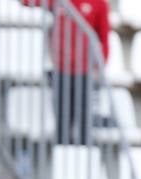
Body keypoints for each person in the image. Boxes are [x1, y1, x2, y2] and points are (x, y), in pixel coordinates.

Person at [21, 0, 109, 144]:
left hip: (84, 73)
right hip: (61, 72)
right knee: (63, 122)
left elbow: (104, 38)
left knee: (84, 124)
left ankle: (83, 160)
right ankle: (62, 160)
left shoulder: (99, 4)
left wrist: (99, 67)